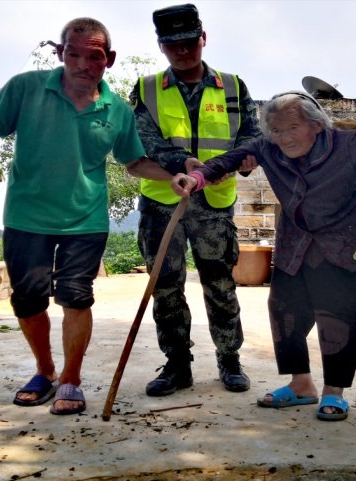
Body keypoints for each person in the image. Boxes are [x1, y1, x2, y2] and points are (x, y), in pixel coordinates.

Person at [0, 18, 171, 415]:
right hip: (27, 215)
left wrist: (175, 177)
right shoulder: (24, 88)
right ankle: (44, 372)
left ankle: (71, 380)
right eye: (72, 54)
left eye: (93, 56)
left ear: (107, 60)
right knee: (28, 301)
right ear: (60, 54)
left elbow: (136, 163)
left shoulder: (118, 111)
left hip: (86, 219)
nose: (81, 64)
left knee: (77, 296)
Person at [171, 91, 356, 420]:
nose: (283, 138)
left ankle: (334, 392)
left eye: (292, 128)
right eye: (275, 130)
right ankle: (301, 384)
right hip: (296, 242)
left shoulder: (347, 144)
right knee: (284, 311)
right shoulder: (267, 148)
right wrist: (196, 178)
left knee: (340, 314)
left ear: (316, 125)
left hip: (348, 240)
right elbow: (227, 161)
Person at [129, 3, 261, 396]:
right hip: (161, 204)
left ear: (203, 39)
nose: (182, 51)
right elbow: (142, 141)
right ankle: (176, 364)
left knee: (220, 284)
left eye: (189, 43)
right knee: (165, 286)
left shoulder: (234, 87)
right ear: (161, 46)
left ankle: (229, 359)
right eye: (173, 46)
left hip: (215, 205)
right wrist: (180, 164)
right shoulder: (147, 88)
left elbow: (252, 137)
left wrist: (232, 163)